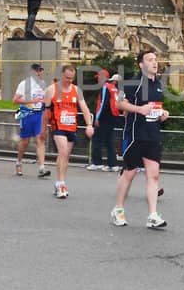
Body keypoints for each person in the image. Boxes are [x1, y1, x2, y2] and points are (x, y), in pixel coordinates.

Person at [111, 49, 167, 229]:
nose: (154, 62)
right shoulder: (131, 82)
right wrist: (139, 109)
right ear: (141, 64)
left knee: (154, 174)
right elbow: (119, 103)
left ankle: (152, 215)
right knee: (130, 173)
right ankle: (118, 209)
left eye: (156, 59)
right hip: (135, 134)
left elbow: (155, 108)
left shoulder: (158, 84)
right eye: (150, 59)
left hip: (153, 134)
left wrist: (162, 113)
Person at [44, 64, 94, 198]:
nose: (69, 81)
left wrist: (89, 124)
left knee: (65, 156)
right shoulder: (51, 90)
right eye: (67, 78)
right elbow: (46, 112)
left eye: (72, 78)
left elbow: (84, 108)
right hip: (58, 126)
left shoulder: (76, 90)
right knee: (63, 151)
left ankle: (58, 182)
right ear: (61, 75)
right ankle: (61, 184)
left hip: (71, 127)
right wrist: (43, 128)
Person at [13, 62, 50, 178]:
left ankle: (42, 167)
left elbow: (44, 100)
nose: (40, 73)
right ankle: (18, 162)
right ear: (32, 72)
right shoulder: (24, 84)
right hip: (27, 113)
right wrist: (31, 101)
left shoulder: (43, 84)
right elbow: (15, 100)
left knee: (40, 139)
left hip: (39, 114)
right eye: (38, 71)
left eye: (41, 71)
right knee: (25, 141)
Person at [88, 69, 120, 171]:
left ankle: (97, 162)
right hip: (113, 116)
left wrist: (97, 118)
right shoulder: (113, 87)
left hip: (105, 117)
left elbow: (103, 104)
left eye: (99, 78)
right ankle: (113, 164)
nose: (98, 80)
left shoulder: (105, 87)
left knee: (97, 139)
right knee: (109, 141)